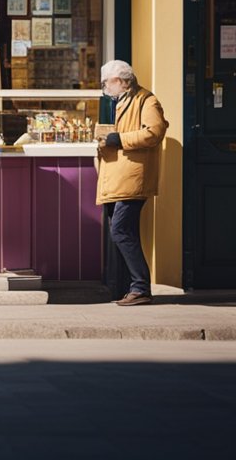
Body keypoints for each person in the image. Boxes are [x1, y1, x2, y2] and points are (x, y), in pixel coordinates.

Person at [96, 59, 167, 306]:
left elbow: (155, 132)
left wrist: (120, 139)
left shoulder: (147, 101)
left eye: (107, 82)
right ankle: (129, 287)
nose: (104, 86)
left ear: (121, 81)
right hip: (117, 176)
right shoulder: (116, 102)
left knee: (120, 230)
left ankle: (140, 287)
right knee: (125, 232)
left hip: (132, 177)